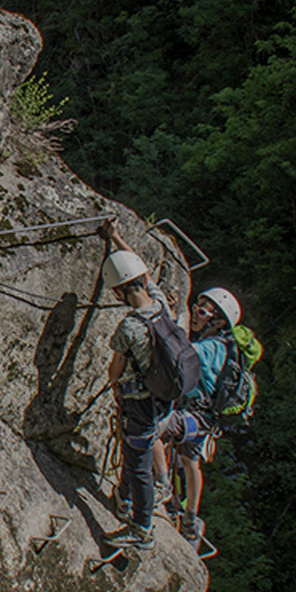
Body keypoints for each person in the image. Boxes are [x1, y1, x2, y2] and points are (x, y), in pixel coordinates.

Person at [98, 222, 196, 552]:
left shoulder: (129, 327)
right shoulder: (161, 305)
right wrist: (115, 238)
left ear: (118, 292)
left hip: (139, 407)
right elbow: (139, 266)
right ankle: (123, 500)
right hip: (164, 403)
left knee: (138, 465)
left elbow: (115, 370)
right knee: (133, 453)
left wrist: (115, 387)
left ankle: (140, 528)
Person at [156, 285, 242, 543]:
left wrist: (165, 317)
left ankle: (163, 486)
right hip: (204, 421)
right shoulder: (220, 344)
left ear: (217, 322)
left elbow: (181, 353)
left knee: (153, 430)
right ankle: (191, 520)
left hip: (194, 416)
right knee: (190, 462)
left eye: (203, 311)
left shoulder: (211, 347)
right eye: (196, 306)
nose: (195, 313)